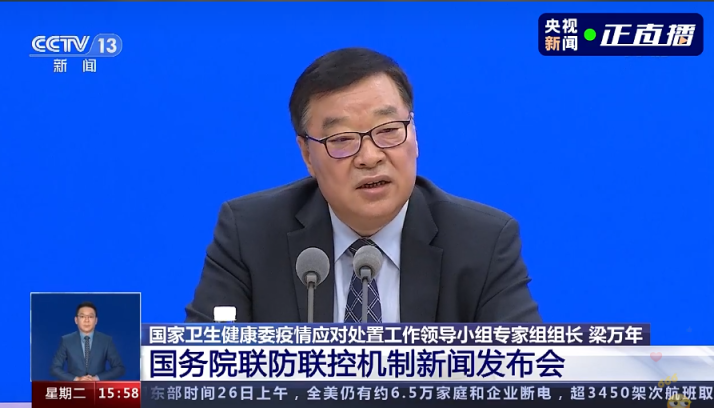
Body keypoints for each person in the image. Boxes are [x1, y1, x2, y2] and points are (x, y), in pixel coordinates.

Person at [185, 47, 541, 323]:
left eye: (388, 131)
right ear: (307, 154)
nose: (370, 157)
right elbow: (200, 372)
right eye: (342, 139)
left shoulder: (483, 242)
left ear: (414, 134)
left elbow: (525, 372)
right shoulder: (249, 235)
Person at [50, 301, 125, 381]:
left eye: (90, 317)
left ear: (96, 320)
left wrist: (96, 378)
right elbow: (54, 368)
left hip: (98, 387)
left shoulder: (106, 340)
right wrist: (77, 379)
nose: (86, 320)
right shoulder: (66, 340)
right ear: (76, 320)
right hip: (74, 387)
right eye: (82, 316)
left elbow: (119, 368)